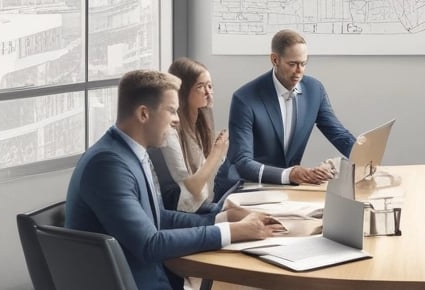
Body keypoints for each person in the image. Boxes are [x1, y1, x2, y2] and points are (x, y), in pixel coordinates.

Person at [65, 70, 280, 290]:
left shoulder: (128, 154)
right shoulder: (108, 165)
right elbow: (150, 244)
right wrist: (234, 231)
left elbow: (158, 218)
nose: (177, 120)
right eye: (171, 111)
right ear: (143, 114)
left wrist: (222, 218)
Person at [218, 29, 359, 192]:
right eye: (292, 64)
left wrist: (362, 157)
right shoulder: (244, 99)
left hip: (285, 189)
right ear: (275, 59)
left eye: (303, 63)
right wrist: (289, 174)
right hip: (244, 185)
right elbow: (242, 163)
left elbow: (339, 134)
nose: (299, 71)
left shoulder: (314, 90)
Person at [149, 57, 229, 213]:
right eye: (200, 86)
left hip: (203, 202)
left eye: (210, 86)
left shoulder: (199, 122)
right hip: (187, 209)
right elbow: (193, 188)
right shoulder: (170, 133)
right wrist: (216, 153)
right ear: (183, 92)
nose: (208, 92)